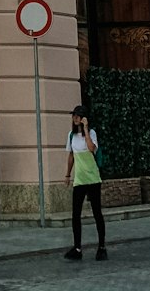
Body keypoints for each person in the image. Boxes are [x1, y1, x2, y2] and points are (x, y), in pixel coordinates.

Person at [63, 104, 106, 261]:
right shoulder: (71, 136)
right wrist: (67, 175)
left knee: (96, 213)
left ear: (84, 118)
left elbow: (91, 148)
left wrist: (86, 129)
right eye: (73, 116)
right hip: (79, 179)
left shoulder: (92, 133)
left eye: (77, 116)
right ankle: (77, 248)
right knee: (75, 214)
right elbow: (71, 157)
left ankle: (101, 247)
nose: (74, 118)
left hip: (93, 178)